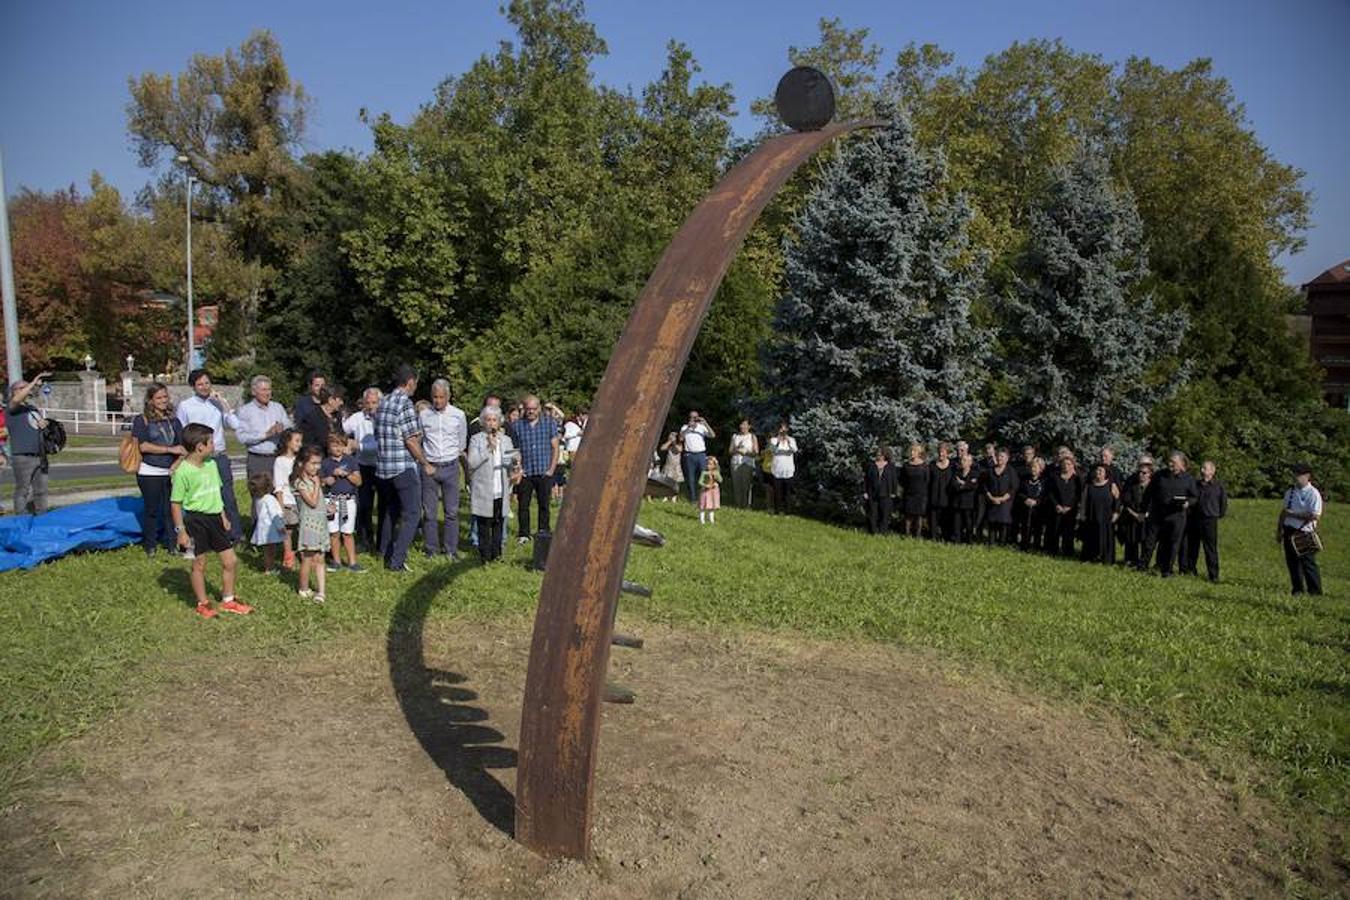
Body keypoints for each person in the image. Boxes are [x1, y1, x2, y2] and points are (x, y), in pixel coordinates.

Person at [170, 423, 252, 619]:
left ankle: (228, 600)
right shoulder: (183, 472)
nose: (214, 445)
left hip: (215, 519)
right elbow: (175, 503)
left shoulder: (212, 465)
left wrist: (223, 516)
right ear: (200, 446)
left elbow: (217, 493)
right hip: (195, 522)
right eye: (211, 441)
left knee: (230, 561)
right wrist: (181, 531)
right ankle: (203, 603)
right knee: (199, 563)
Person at [175, 369, 243, 542]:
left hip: (218, 455)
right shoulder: (186, 406)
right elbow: (182, 432)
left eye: (207, 383)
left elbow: (235, 425)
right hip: (197, 457)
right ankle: (201, 535)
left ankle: (234, 534)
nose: (204, 387)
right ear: (193, 386)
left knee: (227, 496)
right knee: (201, 497)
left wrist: (224, 403)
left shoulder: (217, 404)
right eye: (200, 384)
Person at [375, 364, 430, 573]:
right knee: (413, 513)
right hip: (402, 466)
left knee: (391, 511)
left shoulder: (384, 402)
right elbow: (411, 441)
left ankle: (385, 551)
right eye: (415, 382)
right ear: (410, 382)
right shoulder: (405, 403)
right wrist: (425, 463)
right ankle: (397, 560)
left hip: (383, 467)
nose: (416, 387)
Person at [130, 382, 185, 556]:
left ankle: (172, 544)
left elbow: (182, 446)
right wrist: (169, 450)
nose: (163, 401)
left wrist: (176, 463)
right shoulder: (142, 420)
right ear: (151, 400)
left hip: (170, 471)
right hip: (149, 471)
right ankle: (150, 545)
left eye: (165, 397)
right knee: (152, 510)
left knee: (171, 510)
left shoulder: (174, 421)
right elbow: (143, 446)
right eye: (159, 398)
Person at [419, 378, 468, 560]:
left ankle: (450, 550)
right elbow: (420, 440)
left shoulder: (458, 415)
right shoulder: (424, 415)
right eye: (435, 397)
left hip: (450, 466)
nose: (438, 401)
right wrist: (425, 463)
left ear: (448, 396)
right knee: (430, 512)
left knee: (452, 512)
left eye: (441, 397)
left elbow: (461, 442)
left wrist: (451, 457)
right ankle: (431, 549)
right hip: (430, 467)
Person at [467, 405, 520, 563]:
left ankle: (496, 556)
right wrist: (487, 448)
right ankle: (484, 556)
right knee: (484, 525)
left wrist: (515, 463)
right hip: (483, 489)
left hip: (501, 488)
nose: (491, 423)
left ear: (499, 422)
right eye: (488, 420)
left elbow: (511, 462)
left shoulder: (506, 440)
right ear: (483, 422)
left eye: (494, 420)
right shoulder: (476, 439)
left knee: (498, 522)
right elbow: (471, 463)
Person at [507, 394, 560, 543]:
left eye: (534, 409)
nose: (531, 412)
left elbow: (555, 448)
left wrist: (551, 470)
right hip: (525, 472)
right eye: (528, 409)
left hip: (544, 471)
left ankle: (543, 531)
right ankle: (524, 534)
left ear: (539, 408)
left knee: (544, 504)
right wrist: (517, 470)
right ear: (524, 408)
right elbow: (513, 450)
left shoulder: (549, 423)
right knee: (523, 505)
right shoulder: (517, 426)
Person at [234, 375, 292, 489]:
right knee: (259, 496)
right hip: (257, 459)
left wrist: (283, 426)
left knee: (280, 494)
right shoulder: (245, 411)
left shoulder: (278, 407)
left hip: (277, 457)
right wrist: (266, 435)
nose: (267, 393)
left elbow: (289, 425)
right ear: (254, 392)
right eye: (263, 390)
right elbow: (241, 437)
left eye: (269, 389)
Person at [6, 373, 52, 515]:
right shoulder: (11, 407)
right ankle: (21, 519)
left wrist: (44, 424)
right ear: (14, 391)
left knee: (41, 490)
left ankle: (41, 518)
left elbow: (39, 427)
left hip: (40, 455)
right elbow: (16, 400)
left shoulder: (32, 409)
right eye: (22, 387)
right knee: (23, 489)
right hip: (22, 456)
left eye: (27, 387)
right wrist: (33, 381)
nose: (27, 389)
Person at [1148, 451, 1199, 577]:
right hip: (1159, 514)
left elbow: (1194, 497)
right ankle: (1154, 565)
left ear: (1181, 464)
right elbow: (1150, 493)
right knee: (1157, 542)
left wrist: (1188, 503)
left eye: (1173, 462)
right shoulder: (1160, 475)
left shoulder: (1188, 479)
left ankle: (1168, 569)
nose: (1170, 464)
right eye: (1169, 461)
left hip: (1177, 516)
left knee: (1173, 543)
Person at [343, 387, 381, 550]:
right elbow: (342, 430)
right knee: (364, 504)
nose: (371, 406)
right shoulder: (357, 418)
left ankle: (382, 539)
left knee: (383, 505)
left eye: (374, 402)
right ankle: (365, 538)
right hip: (363, 466)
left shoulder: (383, 418)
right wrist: (345, 445)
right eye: (368, 402)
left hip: (381, 465)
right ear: (363, 403)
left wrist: (358, 445)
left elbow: (381, 445)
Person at [1278, 463, 1323, 596]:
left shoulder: (1313, 493)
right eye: (1295, 474)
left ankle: (1315, 590)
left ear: (1307, 476)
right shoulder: (1290, 492)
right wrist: (1279, 529)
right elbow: (1283, 512)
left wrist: (1293, 514)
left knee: (1308, 563)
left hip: (1304, 531)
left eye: (1299, 474)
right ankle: (1297, 589)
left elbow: (1314, 515)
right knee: (1292, 563)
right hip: (1289, 529)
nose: (1296, 477)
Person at [321, 432, 363, 573]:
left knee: (348, 532)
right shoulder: (325, 463)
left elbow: (359, 481)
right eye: (334, 445)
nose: (338, 448)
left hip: (348, 500)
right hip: (331, 500)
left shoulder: (350, 461)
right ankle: (336, 561)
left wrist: (346, 474)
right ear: (329, 447)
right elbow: (320, 482)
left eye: (340, 445)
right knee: (333, 532)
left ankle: (352, 562)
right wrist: (328, 479)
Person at [292, 446, 328, 602]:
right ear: (302, 463)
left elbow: (318, 503)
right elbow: (312, 502)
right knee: (307, 558)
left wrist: (327, 507)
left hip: (321, 523)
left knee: (320, 558)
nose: (317, 467)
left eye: (318, 464)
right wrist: (318, 485)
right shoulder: (301, 483)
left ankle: (321, 591)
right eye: (313, 463)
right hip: (309, 526)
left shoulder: (315, 480)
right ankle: (304, 588)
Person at [1181, 460, 1227, 582]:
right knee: (1192, 546)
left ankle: (1213, 574)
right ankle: (1191, 569)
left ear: (1212, 471)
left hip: (1210, 519)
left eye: (1205, 468)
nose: (1202, 470)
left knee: (1210, 548)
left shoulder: (1218, 486)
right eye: (1202, 468)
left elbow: (1223, 503)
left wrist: (1218, 514)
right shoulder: (1196, 484)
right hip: (1195, 518)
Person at [273, 429, 303, 570]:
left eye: (300, 441)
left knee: (303, 528)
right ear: (287, 442)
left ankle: (304, 554)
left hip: (302, 499)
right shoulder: (280, 461)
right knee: (288, 530)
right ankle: (288, 555)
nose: (300, 444)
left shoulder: (300, 460)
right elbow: (278, 485)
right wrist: (281, 505)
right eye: (297, 441)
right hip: (288, 500)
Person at [1079, 463, 1119, 563]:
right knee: (1091, 537)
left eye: (1101, 471)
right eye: (1097, 470)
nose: (1098, 472)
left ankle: (1106, 558)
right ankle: (1090, 557)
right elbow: (1084, 501)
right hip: (1092, 515)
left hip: (1107, 517)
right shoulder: (1089, 485)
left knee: (1106, 538)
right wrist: (1082, 513)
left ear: (1106, 473)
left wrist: (1116, 512)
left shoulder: (1111, 485)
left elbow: (1117, 500)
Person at [1045, 455, 1082, 557]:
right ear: (1060, 465)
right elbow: (1050, 493)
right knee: (1054, 529)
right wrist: (1056, 505)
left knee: (1068, 531)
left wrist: (1070, 506)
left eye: (1069, 464)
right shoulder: (1055, 477)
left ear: (1072, 466)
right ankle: (1052, 550)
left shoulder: (1076, 479)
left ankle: (1067, 552)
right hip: (1056, 508)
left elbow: (1078, 495)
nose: (1066, 466)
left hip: (1070, 509)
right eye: (1064, 464)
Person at [981, 447, 1019, 545]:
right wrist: (991, 497)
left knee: (1003, 522)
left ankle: (1002, 544)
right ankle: (991, 543)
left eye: (1002, 456)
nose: (999, 458)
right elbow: (984, 486)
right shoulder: (990, 471)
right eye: (998, 456)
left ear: (1007, 458)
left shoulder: (1011, 471)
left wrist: (1002, 499)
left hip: (1005, 501)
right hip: (992, 500)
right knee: (992, 522)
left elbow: (1013, 488)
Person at [248, 472, 285, 574]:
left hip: (262, 528)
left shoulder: (258, 499)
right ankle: (270, 568)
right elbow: (274, 514)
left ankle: (268, 567)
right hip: (270, 529)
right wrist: (280, 527)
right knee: (271, 551)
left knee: (266, 551)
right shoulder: (269, 499)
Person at [1120, 460, 1153, 570]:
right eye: (1139, 472)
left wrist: (1145, 515)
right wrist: (1135, 515)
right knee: (1131, 540)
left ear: (1150, 474)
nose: (1141, 475)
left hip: (1148, 519)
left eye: (1144, 473)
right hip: (1133, 517)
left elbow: (1155, 503)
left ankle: (1143, 563)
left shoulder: (1154, 488)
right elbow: (1126, 502)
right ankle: (1130, 561)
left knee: (1145, 542)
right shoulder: (1132, 486)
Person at [679, 411, 715, 504]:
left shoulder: (702, 427)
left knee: (704, 476)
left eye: (695, 417)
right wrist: (689, 428)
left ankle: (705, 497)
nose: (694, 419)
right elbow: (681, 438)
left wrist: (705, 423)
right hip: (689, 455)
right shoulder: (684, 427)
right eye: (692, 417)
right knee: (691, 478)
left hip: (701, 455)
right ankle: (693, 499)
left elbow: (712, 435)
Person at [862, 446, 897, 535]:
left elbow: (894, 480)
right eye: (878, 454)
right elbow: (866, 479)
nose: (879, 455)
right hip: (872, 493)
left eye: (881, 454)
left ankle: (883, 532)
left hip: (886, 493)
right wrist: (865, 491)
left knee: (884, 514)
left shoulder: (891, 466)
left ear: (885, 455)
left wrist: (894, 492)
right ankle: (872, 532)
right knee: (872, 514)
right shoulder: (871, 465)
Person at [767, 422, 798, 515]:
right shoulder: (773, 440)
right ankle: (777, 511)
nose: (783, 432)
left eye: (785, 430)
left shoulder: (792, 440)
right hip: (777, 470)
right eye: (781, 429)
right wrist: (778, 442)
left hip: (788, 470)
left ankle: (787, 512)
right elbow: (772, 451)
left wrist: (787, 441)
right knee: (777, 492)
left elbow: (794, 450)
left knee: (787, 492)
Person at [899, 443, 930, 537]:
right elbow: (902, 479)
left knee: (918, 515)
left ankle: (918, 535)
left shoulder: (924, 466)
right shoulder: (906, 465)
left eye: (914, 451)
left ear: (919, 453)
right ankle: (907, 534)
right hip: (909, 493)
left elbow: (927, 480)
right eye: (911, 451)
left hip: (920, 494)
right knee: (908, 515)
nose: (912, 453)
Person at [1017, 457, 1047, 551]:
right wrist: (1026, 499)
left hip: (1039, 508)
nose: (1033, 469)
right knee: (1025, 526)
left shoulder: (1044, 481)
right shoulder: (1024, 479)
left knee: (1037, 527)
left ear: (1041, 469)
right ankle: (1024, 545)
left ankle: (1036, 546)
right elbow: (1019, 492)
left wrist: (1037, 501)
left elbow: (1045, 495)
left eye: (1036, 467)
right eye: (1032, 467)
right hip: (1025, 507)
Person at [728, 419, 759, 509]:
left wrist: (746, 452)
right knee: (736, 484)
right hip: (735, 462)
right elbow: (730, 451)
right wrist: (737, 449)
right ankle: (738, 504)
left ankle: (746, 505)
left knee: (746, 484)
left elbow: (756, 452)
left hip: (747, 463)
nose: (743, 427)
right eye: (741, 425)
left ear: (749, 426)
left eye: (745, 425)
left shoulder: (752, 437)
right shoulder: (735, 436)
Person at [949, 453, 980, 543]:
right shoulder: (956, 472)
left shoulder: (974, 473)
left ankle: (969, 540)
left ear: (970, 462)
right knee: (957, 523)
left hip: (968, 504)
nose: (962, 462)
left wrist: (962, 483)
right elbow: (953, 485)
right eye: (962, 460)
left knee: (968, 523)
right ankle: (957, 540)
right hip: (957, 503)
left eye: (965, 460)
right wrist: (966, 484)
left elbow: (974, 486)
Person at [928, 442, 954, 540]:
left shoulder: (952, 466)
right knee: (933, 519)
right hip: (934, 497)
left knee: (946, 519)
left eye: (943, 452)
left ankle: (945, 537)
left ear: (947, 453)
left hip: (947, 498)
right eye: (939, 452)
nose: (941, 454)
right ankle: (933, 537)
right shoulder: (932, 465)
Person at [292, 371, 326, 436]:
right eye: (317, 385)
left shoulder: (329, 402)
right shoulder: (302, 403)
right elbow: (299, 424)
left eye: (323, 385)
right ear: (310, 386)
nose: (321, 388)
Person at [659, 432, 684, 501]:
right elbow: (662, 448)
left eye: (672, 436)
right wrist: (669, 441)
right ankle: (666, 495)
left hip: (676, 466)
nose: (671, 437)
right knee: (666, 481)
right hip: (668, 466)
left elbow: (679, 450)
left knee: (676, 482)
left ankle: (674, 496)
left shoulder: (679, 444)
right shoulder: (669, 446)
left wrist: (674, 443)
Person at [698, 456, 722, 525]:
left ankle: (711, 519)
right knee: (703, 505)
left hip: (713, 492)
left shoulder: (716, 472)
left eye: (710, 464)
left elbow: (720, 480)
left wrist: (717, 476)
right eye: (707, 464)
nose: (708, 465)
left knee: (712, 506)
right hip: (705, 491)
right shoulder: (704, 473)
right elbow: (700, 482)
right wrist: (705, 485)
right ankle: (702, 519)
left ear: (714, 465)